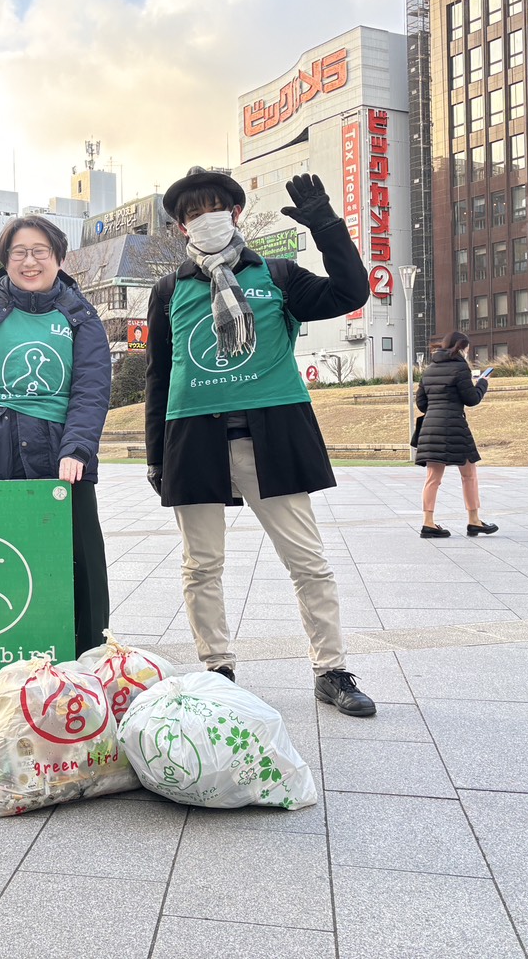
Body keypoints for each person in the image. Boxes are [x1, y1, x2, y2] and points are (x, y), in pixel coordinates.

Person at [144, 166, 377, 717]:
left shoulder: (277, 275)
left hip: (271, 438)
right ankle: (217, 669)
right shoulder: (170, 289)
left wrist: (325, 223)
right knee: (201, 565)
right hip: (194, 440)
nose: (206, 218)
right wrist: (157, 456)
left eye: (214, 207)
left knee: (309, 562)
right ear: (181, 227)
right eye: (193, 213)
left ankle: (331, 670)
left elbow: (351, 290)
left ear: (237, 213)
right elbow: (159, 373)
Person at [0, 215, 112, 655]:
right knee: (0, 554)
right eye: (19, 252)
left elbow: (92, 388)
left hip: (62, 455)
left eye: (40, 251)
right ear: (6, 260)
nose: (29, 260)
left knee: (81, 559)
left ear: (58, 257)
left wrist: (78, 448)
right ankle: (2, 652)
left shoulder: (82, 317)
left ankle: (90, 653)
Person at [415, 330, 497, 538]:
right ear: (461, 347)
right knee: (469, 474)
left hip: (431, 428)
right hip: (454, 427)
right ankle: (474, 520)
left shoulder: (429, 369)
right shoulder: (460, 368)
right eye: (467, 348)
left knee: (433, 478)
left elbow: (421, 403)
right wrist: (482, 384)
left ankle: (428, 523)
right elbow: (471, 399)